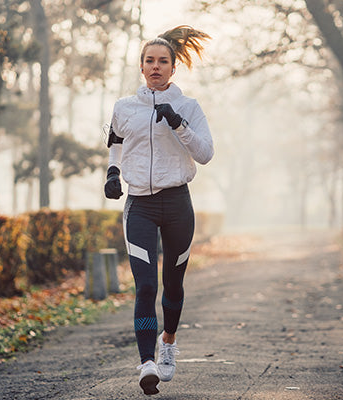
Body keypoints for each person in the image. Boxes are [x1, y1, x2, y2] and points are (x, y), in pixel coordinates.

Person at [103, 25, 213, 395]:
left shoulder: (189, 107)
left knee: (173, 284)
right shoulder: (125, 107)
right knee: (145, 285)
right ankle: (147, 362)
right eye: (149, 61)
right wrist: (112, 173)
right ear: (141, 66)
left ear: (173, 67)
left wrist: (178, 124)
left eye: (163, 61)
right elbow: (115, 140)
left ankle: (168, 342)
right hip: (140, 207)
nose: (156, 67)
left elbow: (205, 153)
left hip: (178, 203)